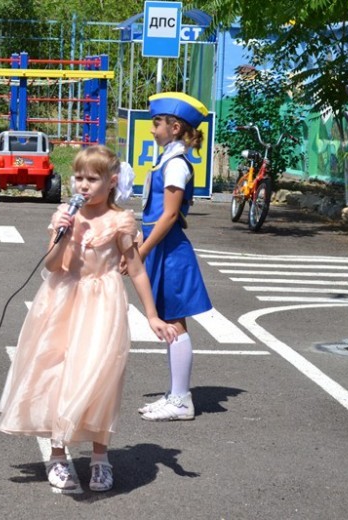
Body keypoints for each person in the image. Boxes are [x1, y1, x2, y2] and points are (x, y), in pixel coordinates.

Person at [0, 145, 178, 492]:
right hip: (62, 301)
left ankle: (100, 458)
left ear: (112, 182)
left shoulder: (120, 221)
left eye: (92, 179)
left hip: (102, 306)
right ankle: (58, 455)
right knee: (57, 375)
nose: (83, 185)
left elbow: (136, 269)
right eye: (78, 177)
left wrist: (152, 316)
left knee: (99, 378)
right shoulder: (66, 216)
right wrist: (64, 234)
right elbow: (52, 265)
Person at [137, 92, 214, 421]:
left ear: (175, 127)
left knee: (174, 324)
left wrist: (141, 251)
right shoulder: (169, 160)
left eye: (158, 123)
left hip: (169, 251)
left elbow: (168, 215)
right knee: (171, 322)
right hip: (163, 247)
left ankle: (181, 400)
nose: (153, 129)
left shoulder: (176, 165)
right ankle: (176, 394)